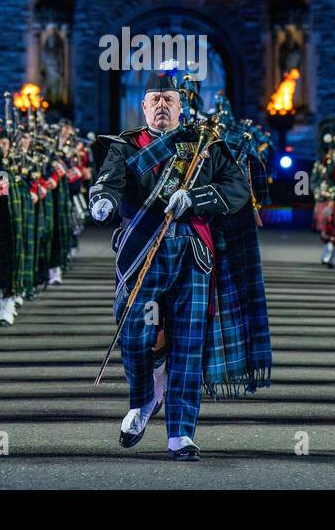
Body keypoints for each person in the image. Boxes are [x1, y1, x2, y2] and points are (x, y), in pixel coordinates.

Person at [88, 68, 250, 460]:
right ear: (142, 106)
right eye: (155, 101)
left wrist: (197, 199)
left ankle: (181, 432)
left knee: (190, 344)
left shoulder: (207, 144)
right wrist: (104, 201)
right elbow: (112, 180)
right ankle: (143, 401)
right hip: (144, 251)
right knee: (136, 334)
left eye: (169, 100)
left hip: (193, 253)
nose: (162, 106)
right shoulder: (126, 146)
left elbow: (237, 187)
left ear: (181, 106)